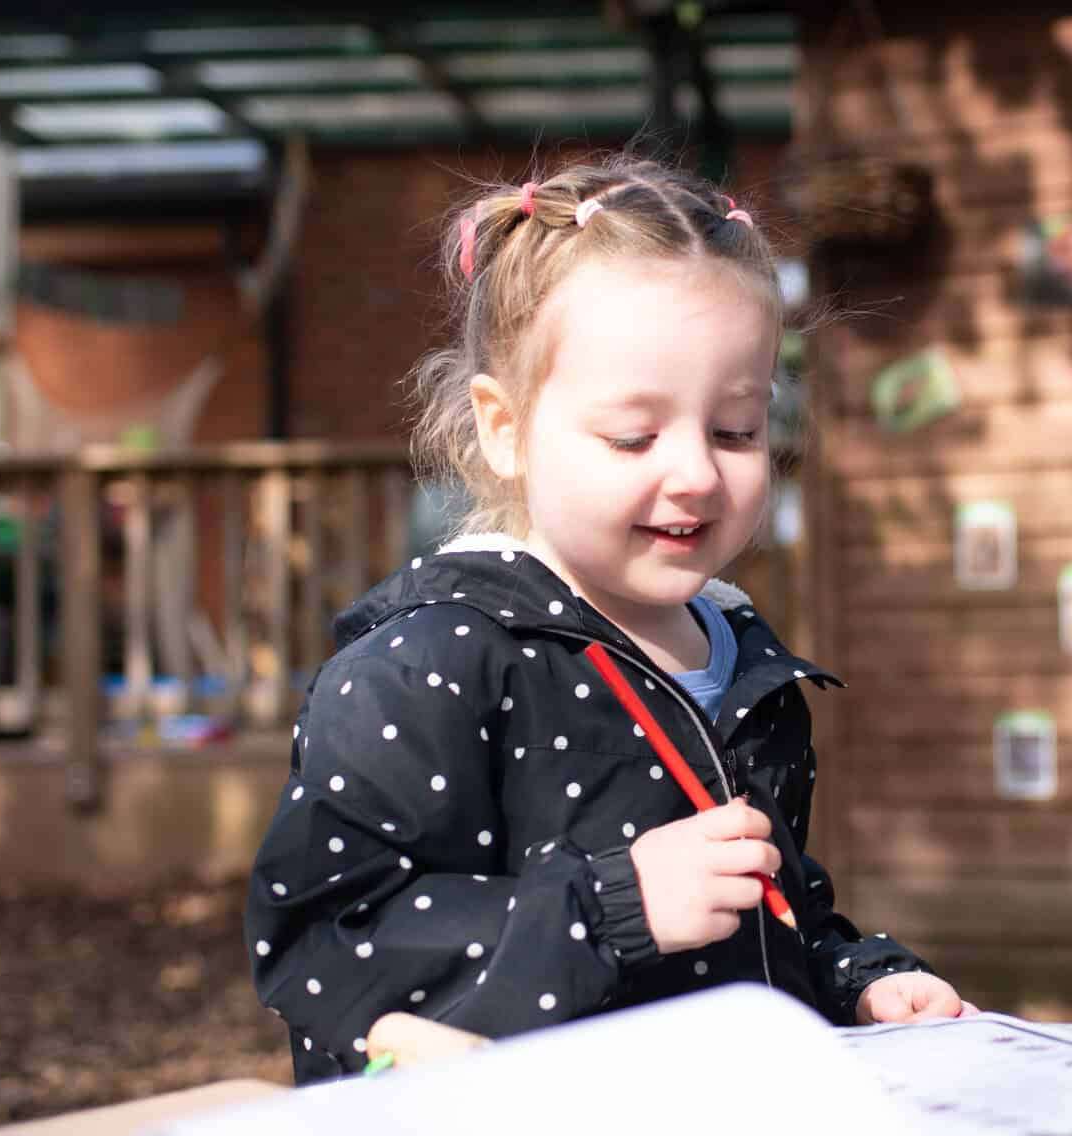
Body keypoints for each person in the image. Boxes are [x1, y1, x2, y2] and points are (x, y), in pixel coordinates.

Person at [247, 156, 969, 1082]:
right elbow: (324, 944)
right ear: (504, 430)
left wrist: (857, 982)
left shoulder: (736, 656)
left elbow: (772, 918)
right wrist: (613, 907)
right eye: (634, 436)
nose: (698, 473)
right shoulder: (432, 660)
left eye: (737, 428)